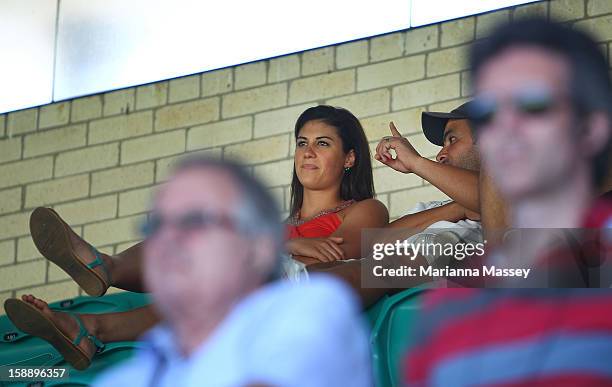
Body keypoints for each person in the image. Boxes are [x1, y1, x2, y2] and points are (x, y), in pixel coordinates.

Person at [4, 105, 388, 370]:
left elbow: (334, 255)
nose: (308, 152)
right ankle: (102, 272)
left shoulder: (364, 210)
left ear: (350, 158)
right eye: (302, 142)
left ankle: (90, 322)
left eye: (323, 144)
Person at [404, 18, 612, 386]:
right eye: (487, 113)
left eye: (532, 104)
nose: (505, 127)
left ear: (592, 126)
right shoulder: (445, 306)